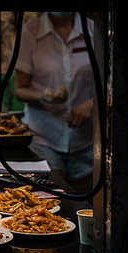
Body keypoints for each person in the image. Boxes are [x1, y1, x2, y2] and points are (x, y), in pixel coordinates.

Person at [14, 12, 94, 192]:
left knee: (80, 203)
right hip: (44, 136)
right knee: (53, 197)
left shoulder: (92, 30)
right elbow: (20, 90)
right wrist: (44, 95)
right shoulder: (30, 33)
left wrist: (91, 104)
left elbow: (110, 82)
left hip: (84, 138)